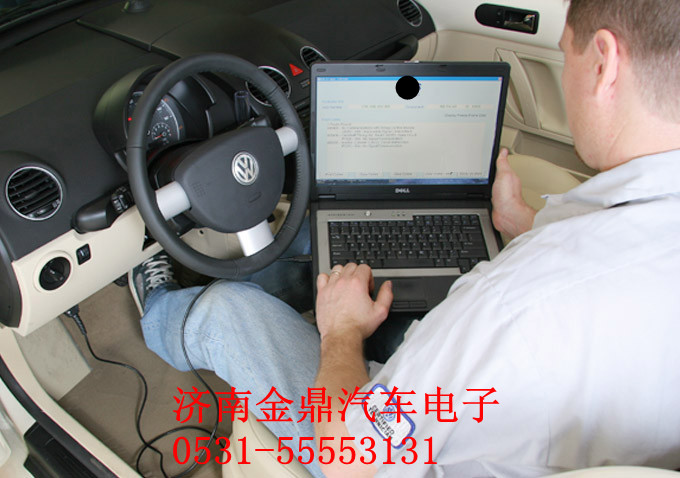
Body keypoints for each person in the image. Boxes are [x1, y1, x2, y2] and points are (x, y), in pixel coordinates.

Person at [136, 0, 680, 476]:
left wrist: (341, 332)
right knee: (324, 248)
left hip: (390, 460)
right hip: (545, 428)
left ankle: (157, 305)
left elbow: (347, 457)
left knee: (229, 310)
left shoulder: (506, 304)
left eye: (568, 55)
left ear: (605, 62)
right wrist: (523, 224)